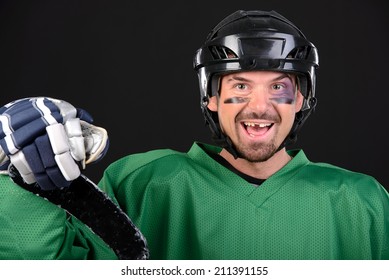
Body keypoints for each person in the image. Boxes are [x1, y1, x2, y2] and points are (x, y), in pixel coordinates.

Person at [0, 10, 388, 260]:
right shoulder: (143, 183)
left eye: (278, 87)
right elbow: (42, 263)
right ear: (212, 98)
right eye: (239, 86)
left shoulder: (365, 202)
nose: (259, 106)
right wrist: (23, 183)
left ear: (301, 98)